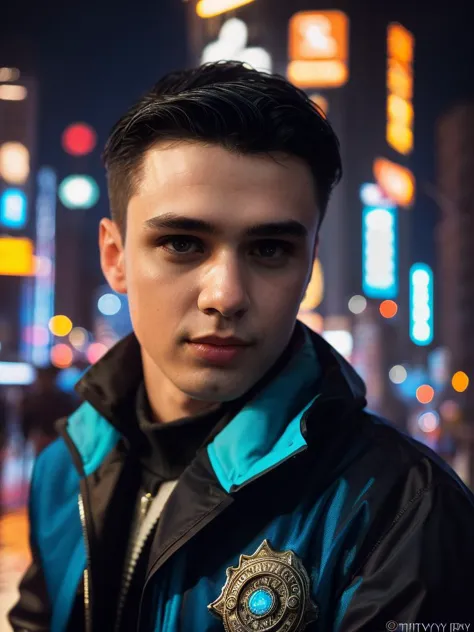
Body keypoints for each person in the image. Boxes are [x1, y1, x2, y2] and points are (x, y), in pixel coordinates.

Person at [9, 61, 474, 632]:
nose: (225, 296)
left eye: (270, 249)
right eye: (182, 243)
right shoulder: (65, 468)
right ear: (115, 257)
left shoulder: (402, 509)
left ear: (309, 265)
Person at [19, 366, 77, 456]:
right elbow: (27, 421)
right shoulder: (34, 400)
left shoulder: (63, 399)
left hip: (59, 438)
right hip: (43, 437)